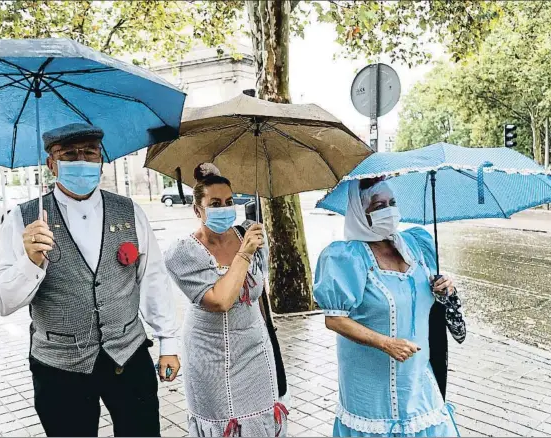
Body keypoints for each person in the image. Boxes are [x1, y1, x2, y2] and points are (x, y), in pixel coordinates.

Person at [0, 123, 180, 437]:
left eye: (90, 152)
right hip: (59, 365)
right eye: (69, 154)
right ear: (51, 164)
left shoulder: (129, 211)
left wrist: (168, 342)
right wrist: (30, 262)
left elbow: (152, 278)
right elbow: (0, 301)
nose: (81, 160)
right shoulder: (23, 219)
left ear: (101, 160)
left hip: (128, 354)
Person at [313, 178, 466, 437]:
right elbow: (334, 319)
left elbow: (428, 300)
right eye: (378, 205)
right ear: (361, 213)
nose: (388, 210)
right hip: (369, 384)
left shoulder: (415, 245)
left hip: (417, 375)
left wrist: (444, 289)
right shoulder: (346, 257)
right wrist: (386, 343)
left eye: (392, 203)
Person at [164, 163, 289, 437]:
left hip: (255, 350)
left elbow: (257, 294)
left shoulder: (249, 235)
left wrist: (268, 337)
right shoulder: (184, 253)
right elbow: (219, 301)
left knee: (260, 420)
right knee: (222, 423)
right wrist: (243, 256)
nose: (224, 208)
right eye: (215, 203)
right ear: (198, 210)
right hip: (210, 356)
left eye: (229, 202)